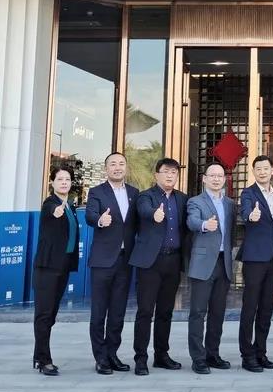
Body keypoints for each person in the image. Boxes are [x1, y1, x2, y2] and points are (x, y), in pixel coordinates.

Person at [129, 157, 188, 375]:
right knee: (145, 311)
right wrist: (154, 213)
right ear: (157, 175)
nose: (170, 175)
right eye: (166, 171)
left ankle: (161, 355)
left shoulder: (182, 199)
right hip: (150, 262)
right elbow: (143, 210)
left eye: (174, 172)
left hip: (173, 261)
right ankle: (140, 359)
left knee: (165, 311)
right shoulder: (146, 196)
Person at [85, 152, 139, 375]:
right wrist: (100, 219)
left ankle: (112, 354)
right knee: (99, 312)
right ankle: (100, 358)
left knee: (118, 312)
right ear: (106, 168)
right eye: (113, 164)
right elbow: (89, 215)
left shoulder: (134, 193)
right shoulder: (97, 192)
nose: (117, 167)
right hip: (103, 260)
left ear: (126, 167)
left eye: (121, 164)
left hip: (125, 260)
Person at [185, 161, 236, 374]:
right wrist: (205, 225)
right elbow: (192, 222)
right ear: (204, 179)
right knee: (198, 312)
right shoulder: (195, 201)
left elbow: (232, 233)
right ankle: (198, 358)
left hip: (224, 263)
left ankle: (212, 354)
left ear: (224, 179)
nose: (216, 179)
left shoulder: (230, 204)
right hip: (203, 263)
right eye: (212, 175)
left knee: (218, 312)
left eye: (220, 176)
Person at [237, 155, 273, 372]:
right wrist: (251, 215)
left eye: (266, 168)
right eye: (258, 169)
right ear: (253, 172)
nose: (263, 172)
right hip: (254, 259)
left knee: (266, 309)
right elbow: (245, 212)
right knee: (250, 308)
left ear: (272, 171)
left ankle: (260, 352)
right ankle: (247, 355)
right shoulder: (248, 193)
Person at [32, 166, 80, 376]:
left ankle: (38, 356)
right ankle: (44, 361)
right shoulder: (50, 203)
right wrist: (56, 211)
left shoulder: (70, 206)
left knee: (51, 315)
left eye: (67, 179)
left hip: (62, 267)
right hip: (47, 268)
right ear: (52, 182)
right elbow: (51, 211)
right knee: (44, 314)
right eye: (60, 179)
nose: (64, 182)